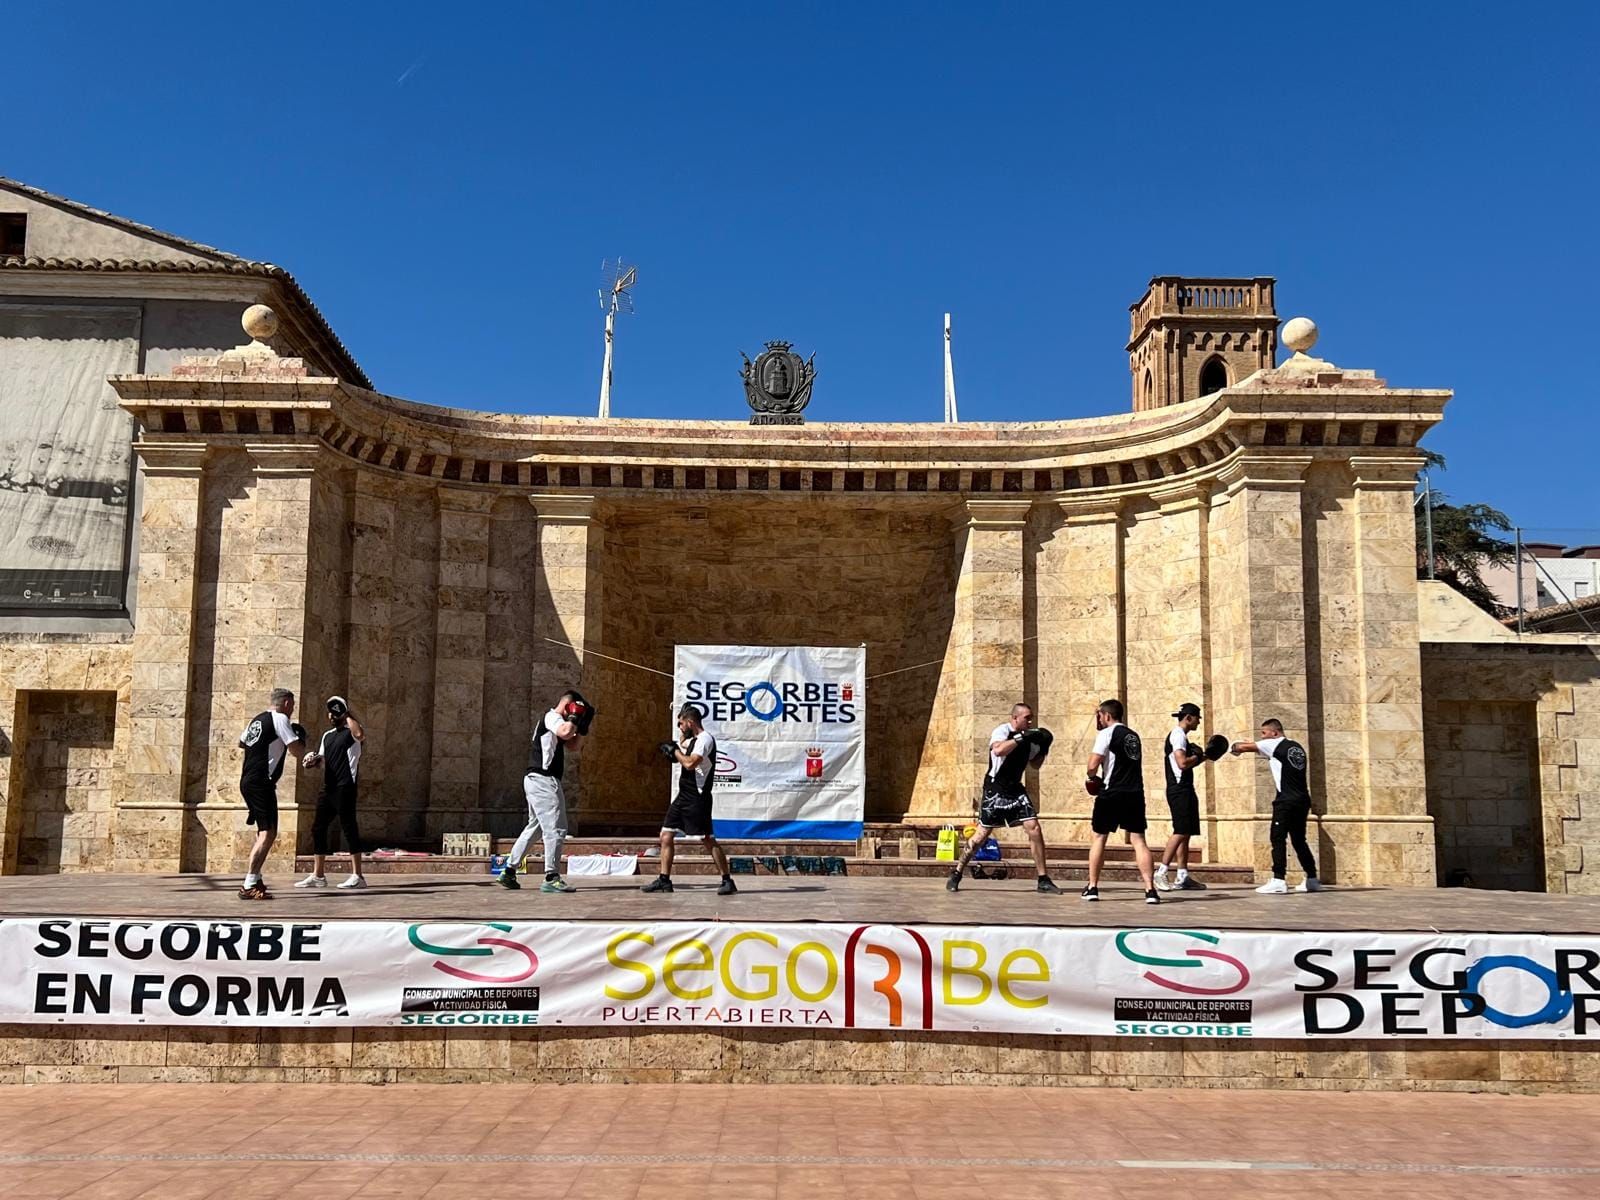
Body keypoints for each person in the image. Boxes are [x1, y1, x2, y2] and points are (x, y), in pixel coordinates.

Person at [946, 702, 1061, 894]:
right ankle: (957, 873)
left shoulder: (1030, 739)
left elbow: (1035, 765)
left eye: (1031, 718)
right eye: (1027, 718)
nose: (1030, 721)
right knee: (981, 835)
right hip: (995, 789)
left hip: (1015, 788)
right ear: (1015, 718)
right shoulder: (1003, 731)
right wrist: (1021, 737)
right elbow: (998, 750)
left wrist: (1044, 748)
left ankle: (1043, 879)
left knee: (1034, 827)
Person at [499, 690, 593, 893]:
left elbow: (573, 745)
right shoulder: (552, 717)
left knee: (535, 827)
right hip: (543, 779)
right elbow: (566, 732)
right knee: (557, 828)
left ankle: (509, 870)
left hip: (538, 780)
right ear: (569, 706)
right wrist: (576, 716)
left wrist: (583, 727)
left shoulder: (556, 721)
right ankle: (551, 876)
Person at [642, 704, 737, 895]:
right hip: (683, 795)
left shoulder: (704, 739)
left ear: (690, 722)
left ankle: (727, 880)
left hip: (698, 796)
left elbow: (690, 763)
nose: (679, 727)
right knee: (666, 835)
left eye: (681, 723)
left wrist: (675, 751)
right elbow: (681, 746)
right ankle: (664, 880)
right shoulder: (693, 739)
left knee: (707, 839)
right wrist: (676, 743)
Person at [1082, 698, 1159, 904]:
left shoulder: (1106, 734)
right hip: (1134, 792)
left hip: (1111, 792)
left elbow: (1092, 765)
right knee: (1139, 841)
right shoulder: (1133, 736)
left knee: (1099, 838)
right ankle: (1150, 890)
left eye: (1099, 715)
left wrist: (1091, 777)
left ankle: (1092, 887)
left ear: (1106, 715)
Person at [1231, 719, 1321, 894]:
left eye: (1264, 733)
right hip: (1302, 799)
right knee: (1299, 839)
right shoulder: (1296, 747)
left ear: (1274, 732)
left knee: (1277, 838)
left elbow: (1240, 747)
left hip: (1285, 800)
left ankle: (1278, 879)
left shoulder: (1273, 744)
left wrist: (1233, 746)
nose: (1262, 737)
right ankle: (1312, 878)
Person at [236, 687, 307, 900]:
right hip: (261, 782)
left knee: (264, 831)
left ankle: (255, 879)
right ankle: (248, 883)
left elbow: (242, 742)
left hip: (248, 779)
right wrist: (301, 741)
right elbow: (295, 749)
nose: (292, 709)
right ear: (286, 703)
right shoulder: (280, 719)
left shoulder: (257, 720)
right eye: (292, 705)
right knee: (268, 833)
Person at [295, 696, 367, 890]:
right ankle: (318, 875)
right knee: (318, 828)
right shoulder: (327, 736)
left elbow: (360, 734)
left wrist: (347, 713)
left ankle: (358, 876)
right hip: (328, 788)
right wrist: (312, 761)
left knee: (349, 828)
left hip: (345, 786)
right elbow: (322, 761)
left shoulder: (351, 734)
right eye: (330, 712)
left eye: (335, 713)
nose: (331, 716)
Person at [1155, 702, 1206, 892]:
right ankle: (1161, 872)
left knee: (1186, 832)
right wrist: (1200, 757)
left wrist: (1205, 755)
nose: (1199, 722)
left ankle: (1182, 875)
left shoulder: (1181, 736)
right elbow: (1182, 763)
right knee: (1180, 830)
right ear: (1189, 718)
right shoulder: (1178, 735)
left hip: (1185, 787)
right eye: (1198, 718)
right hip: (1178, 789)